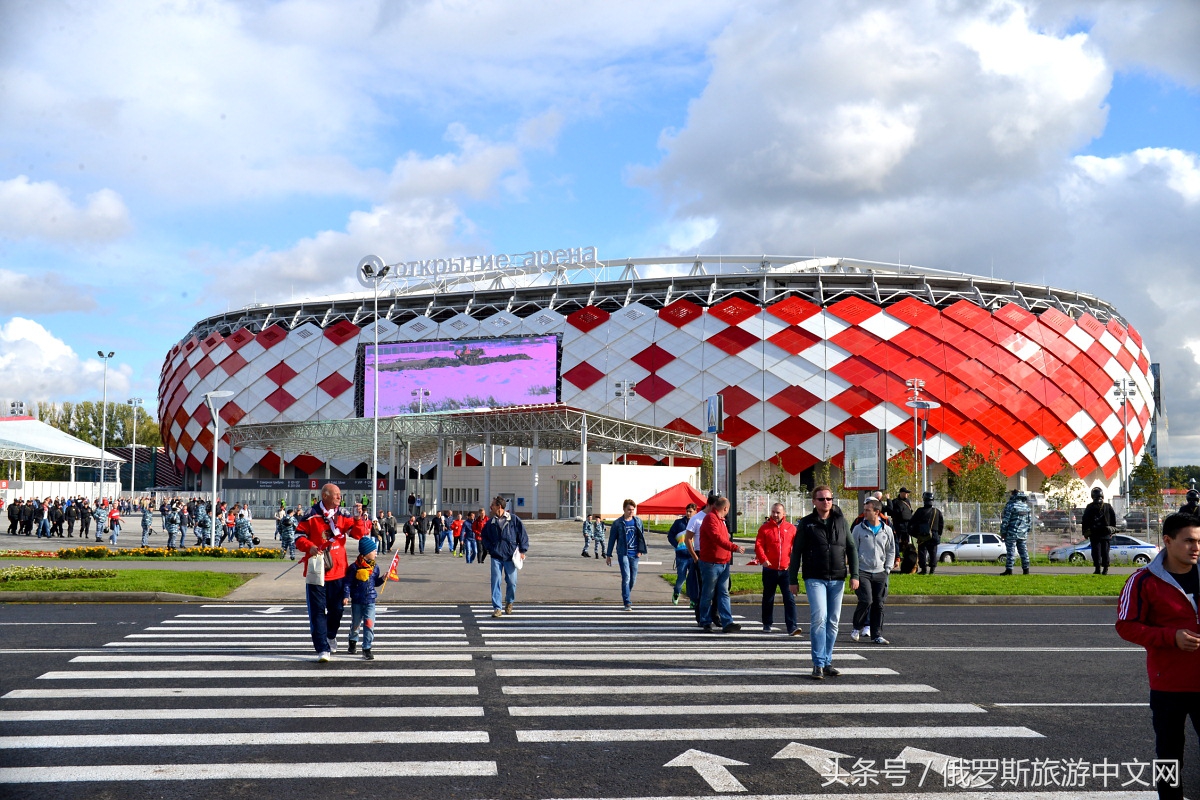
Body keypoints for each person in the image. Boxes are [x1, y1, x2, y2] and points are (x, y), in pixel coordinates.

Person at [1116, 512, 1200, 800]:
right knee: (1169, 756)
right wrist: (1170, 637)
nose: (1196, 548)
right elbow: (1126, 626)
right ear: (1167, 541)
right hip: (1169, 686)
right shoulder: (1143, 581)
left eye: (1199, 541)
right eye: (1189, 540)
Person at [294, 483, 371, 662]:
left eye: (340, 494)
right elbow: (298, 537)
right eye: (336, 494)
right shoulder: (310, 515)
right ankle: (322, 648)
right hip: (317, 573)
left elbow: (358, 535)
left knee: (337, 610)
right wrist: (310, 547)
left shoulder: (343, 515)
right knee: (317, 612)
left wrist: (358, 518)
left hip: (339, 572)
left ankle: (330, 634)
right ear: (325, 496)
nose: (339, 497)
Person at [789, 486, 859, 680]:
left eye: (829, 498)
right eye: (821, 499)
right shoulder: (806, 523)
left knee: (833, 621)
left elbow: (852, 548)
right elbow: (796, 552)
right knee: (819, 618)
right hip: (814, 578)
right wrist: (792, 579)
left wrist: (855, 574)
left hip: (837, 578)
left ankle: (827, 661)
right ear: (814, 501)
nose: (826, 502)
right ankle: (818, 663)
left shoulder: (841, 521)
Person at [850, 498, 896, 645]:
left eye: (867, 510)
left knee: (879, 603)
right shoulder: (858, 529)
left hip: (880, 572)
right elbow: (853, 550)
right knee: (866, 600)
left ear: (877, 512)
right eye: (864, 510)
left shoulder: (887, 530)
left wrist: (887, 568)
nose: (864, 513)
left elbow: (891, 551)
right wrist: (854, 572)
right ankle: (857, 627)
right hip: (863, 571)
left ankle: (877, 634)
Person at [696, 496, 743, 632]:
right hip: (711, 563)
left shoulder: (721, 520)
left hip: (723, 562)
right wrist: (734, 547)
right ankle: (705, 620)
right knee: (708, 593)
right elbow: (717, 538)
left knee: (723, 593)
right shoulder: (711, 519)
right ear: (726, 508)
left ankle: (727, 622)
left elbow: (722, 538)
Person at [481, 495, 528, 618]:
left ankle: (509, 601)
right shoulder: (490, 522)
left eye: (492, 505)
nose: (490, 507)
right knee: (495, 581)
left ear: (499, 506)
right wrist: (489, 548)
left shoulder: (514, 519)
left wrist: (522, 550)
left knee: (512, 582)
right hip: (496, 555)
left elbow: (522, 535)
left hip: (510, 556)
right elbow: (484, 536)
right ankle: (497, 608)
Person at [756, 502, 799, 635]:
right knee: (768, 597)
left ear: (783, 514)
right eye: (773, 512)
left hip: (786, 570)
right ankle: (767, 623)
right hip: (770, 569)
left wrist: (794, 563)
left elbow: (796, 548)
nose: (775, 515)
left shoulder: (791, 528)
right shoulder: (765, 528)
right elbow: (758, 545)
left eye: (778, 512)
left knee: (789, 599)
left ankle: (792, 626)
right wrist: (763, 559)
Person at [345, 535, 385, 660]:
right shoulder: (354, 567)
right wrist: (346, 596)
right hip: (357, 600)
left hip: (370, 600)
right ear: (366, 553)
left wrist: (382, 579)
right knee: (356, 623)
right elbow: (347, 583)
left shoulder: (375, 567)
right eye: (374, 551)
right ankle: (352, 640)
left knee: (369, 624)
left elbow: (375, 583)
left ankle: (367, 648)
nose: (376, 554)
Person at [606, 500, 647, 611]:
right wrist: (608, 555)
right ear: (624, 509)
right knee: (626, 577)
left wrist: (641, 550)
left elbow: (641, 537)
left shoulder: (638, 521)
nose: (631, 512)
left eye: (633, 510)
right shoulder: (618, 523)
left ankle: (625, 592)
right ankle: (627, 602)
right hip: (623, 553)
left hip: (635, 554)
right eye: (629, 509)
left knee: (633, 579)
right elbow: (612, 539)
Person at [1082, 487, 1118, 575]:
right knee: (1100, 553)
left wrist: (1085, 532)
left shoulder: (1103, 506)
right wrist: (1112, 530)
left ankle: (1102, 569)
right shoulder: (1094, 507)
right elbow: (1085, 520)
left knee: (1100, 553)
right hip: (1098, 533)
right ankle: (1101, 569)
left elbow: (1085, 520)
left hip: (1100, 533)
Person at [666, 504, 695, 606]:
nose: (688, 513)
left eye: (690, 511)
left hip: (693, 555)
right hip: (681, 555)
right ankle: (676, 592)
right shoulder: (679, 523)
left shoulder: (697, 523)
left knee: (692, 580)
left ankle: (693, 600)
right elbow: (670, 536)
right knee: (681, 578)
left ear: (695, 512)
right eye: (687, 511)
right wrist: (676, 545)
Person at [1000, 489, 1032, 576]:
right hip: (1023, 533)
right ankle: (1026, 570)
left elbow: (1006, 521)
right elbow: (1029, 521)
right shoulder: (1026, 507)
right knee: (1024, 551)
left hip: (1012, 532)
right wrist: (1027, 530)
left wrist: (1003, 532)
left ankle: (1009, 570)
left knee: (1011, 552)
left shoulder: (1011, 506)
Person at [910, 491, 944, 575]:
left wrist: (915, 534)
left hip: (922, 535)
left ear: (924, 500)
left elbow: (912, 523)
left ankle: (924, 569)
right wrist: (939, 534)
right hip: (934, 535)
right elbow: (941, 525)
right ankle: (932, 570)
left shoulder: (919, 511)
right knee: (933, 553)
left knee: (922, 553)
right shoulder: (937, 512)